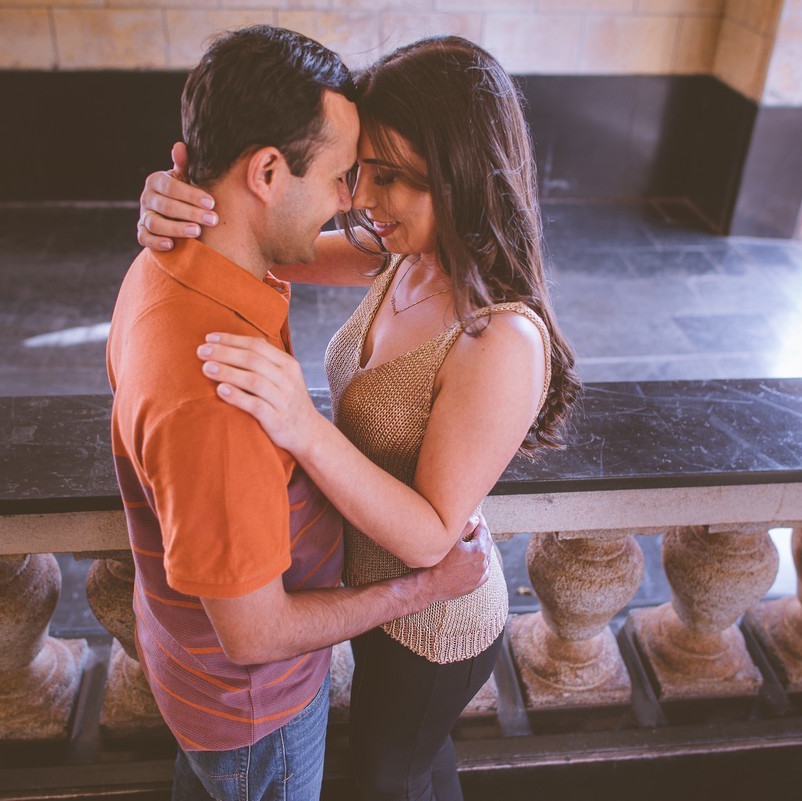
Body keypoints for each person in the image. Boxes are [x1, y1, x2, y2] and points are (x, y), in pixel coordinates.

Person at [137, 35, 581, 801]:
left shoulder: (500, 338)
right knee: (412, 766)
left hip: (434, 621)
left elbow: (429, 534)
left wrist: (302, 427)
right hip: (372, 604)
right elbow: (266, 240)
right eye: (360, 171)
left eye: (391, 177)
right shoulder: (401, 253)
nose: (362, 198)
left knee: (390, 776)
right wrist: (171, 204)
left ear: (463, 173)